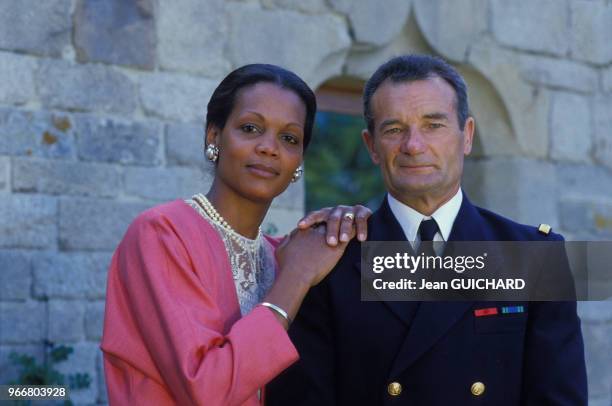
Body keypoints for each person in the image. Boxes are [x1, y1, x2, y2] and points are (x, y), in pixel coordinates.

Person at [267, 55, 587, 405]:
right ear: (371, 146)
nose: (413, 145)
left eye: (433, 125)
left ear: (466, 136)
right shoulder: (329, 260)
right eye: (394, 129)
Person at [100, 63, 371, 405]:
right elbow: (207, 389)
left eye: (289, 138)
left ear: (299, 159)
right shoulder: (162, 234)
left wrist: (362, 230)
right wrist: (296, 277)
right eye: (250, 128)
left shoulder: (285, 253)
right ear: (214, 136)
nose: (269, 147)